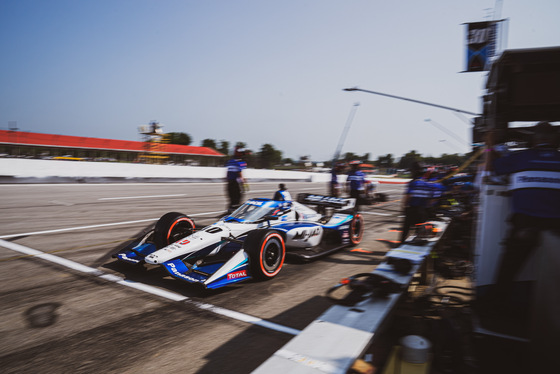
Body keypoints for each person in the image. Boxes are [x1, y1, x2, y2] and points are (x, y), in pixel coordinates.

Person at [489, 121, 560, 309]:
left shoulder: (521, 158)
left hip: (526, 223)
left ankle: (496, 306)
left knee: (509, 268)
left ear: (534, 139)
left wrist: (489, 144)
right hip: (557, 224)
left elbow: (492, 168)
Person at [400, 161, 434, 243]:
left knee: (405, 231)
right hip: (423, 211)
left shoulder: (413, 183)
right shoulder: (428, 184)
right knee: (420, 234)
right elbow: (430, 200)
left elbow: (408, 197)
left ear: (415, 172)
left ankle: (401, 245)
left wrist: (403, 208)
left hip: (412, 211)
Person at [225, 146, 247, 213]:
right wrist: (243, 183)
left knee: (231, 197)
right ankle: (235, 211)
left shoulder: (229, 161)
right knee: (238, 197)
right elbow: (239, 173)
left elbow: (228, 172)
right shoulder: (240, 162)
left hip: (229, 182)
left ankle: (230, 210)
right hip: (235, 183)